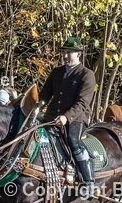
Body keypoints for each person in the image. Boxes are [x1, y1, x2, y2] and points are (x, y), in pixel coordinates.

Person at [39, 36, 97, 190]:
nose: (65, 56)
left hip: (77, 117)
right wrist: (35, 107)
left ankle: (89, 179)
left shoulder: (87, 74)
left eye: (69, 52)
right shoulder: (56, 72)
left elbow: (83, 102)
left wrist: (66, 117)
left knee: (72, 139)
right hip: (52, 116)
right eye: (64, 52)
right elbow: (44, 96)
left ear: (78, 53)